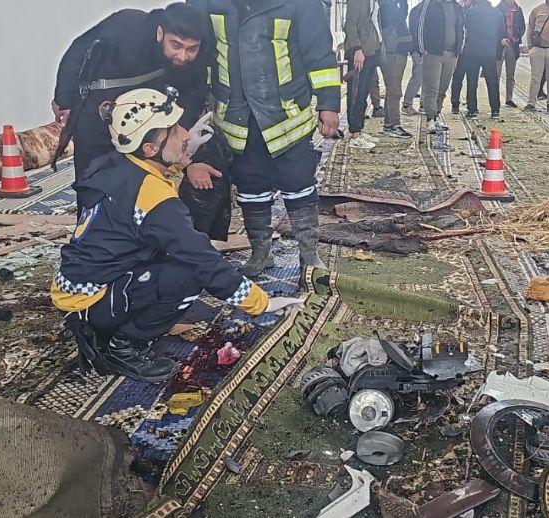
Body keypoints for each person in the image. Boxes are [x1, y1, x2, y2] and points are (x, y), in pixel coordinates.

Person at [52, 89, 303, 383]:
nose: (185, 134)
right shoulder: (154, 200)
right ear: (149, 149)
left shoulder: (116, 163)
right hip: (91, 301)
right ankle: (121, 347)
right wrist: (262, 303)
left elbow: (149, 180)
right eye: (174, 130)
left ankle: (113, 319)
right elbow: (203, 261)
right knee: (190, 273)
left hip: (78, 286)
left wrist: (183, 153)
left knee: (169, 253)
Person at [188, 0, 341, 276]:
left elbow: (319, 54)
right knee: (250, 188)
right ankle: (261, 253)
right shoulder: (208, 4)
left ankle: (309, 255)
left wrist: (328, 103)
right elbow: (202, 56)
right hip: (236, 116)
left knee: (299, 184)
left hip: (287, 116)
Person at [52, 3, 220, 212]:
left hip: (147, 123)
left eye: (191, 49)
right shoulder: (127, 25)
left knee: (139, 184)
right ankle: (89, 227)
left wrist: (180, 131)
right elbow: (77, 51)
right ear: (160, 33)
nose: (182, 56)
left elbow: (192, 95)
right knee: (92, 181)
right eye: (176, 45)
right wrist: (64, 100)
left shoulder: (197, 56)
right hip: (98, 112)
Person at [412, 0, 465, 134]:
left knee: (443, 88)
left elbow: (462, 29)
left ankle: (436, 116)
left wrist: (459, 49)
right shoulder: (430, 5)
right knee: (432, 88)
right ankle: (430, 118)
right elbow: (419, 25)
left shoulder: (457, 7)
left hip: (452, 54)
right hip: (433, 53)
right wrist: (421, 49)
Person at [345, 0, 384, 149]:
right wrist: (357, 49)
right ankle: (354, 134)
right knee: (356, 94)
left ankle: (359, 130)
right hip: (360, 52)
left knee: (363, 94)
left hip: (371, 51)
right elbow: (350, 24)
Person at [461, 0, 507, 120]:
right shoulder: (496, 12)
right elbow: (502, 32)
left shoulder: (471, 12)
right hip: (489, 51)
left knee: (472, 81)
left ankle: (472, 110)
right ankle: (495, 110)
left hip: (473, 51)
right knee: (492, 82)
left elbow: (464, 27)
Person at [380, 0, 415, 138]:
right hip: (392, 51)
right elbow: (399, 16)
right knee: (394, 90)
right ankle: (394, 124)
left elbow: (403, 14)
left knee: (392, 90)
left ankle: (389, 124)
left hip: (398, 50)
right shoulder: (386, 5)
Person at [497, 0, 525, 108]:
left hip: (513, 45)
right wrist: (500, 38)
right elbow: (494, 27)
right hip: (500, 45)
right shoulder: (498, 8)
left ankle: (509, 98)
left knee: (511, 74)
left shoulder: (518, 10)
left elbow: (522, 27)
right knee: (496, 74)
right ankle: (495, 98)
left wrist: (517, 36)